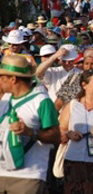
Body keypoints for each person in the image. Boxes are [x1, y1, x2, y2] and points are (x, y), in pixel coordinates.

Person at [0, 55, 60, 193]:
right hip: (2, 172)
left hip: (28, 176)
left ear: (13, 79)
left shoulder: (41, 101)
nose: (0, 82)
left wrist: (30, 132)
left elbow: (56, 136)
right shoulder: (5, 99)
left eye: (3, 78)